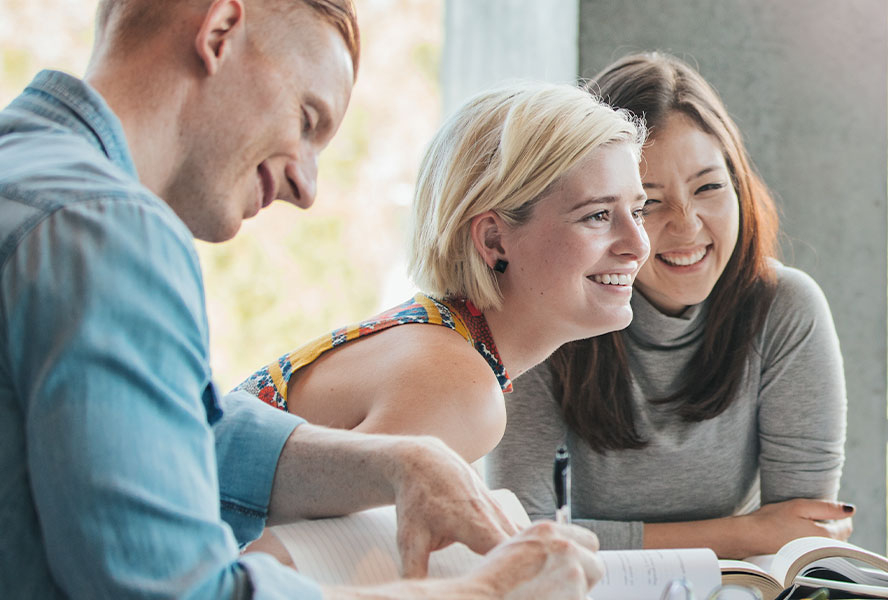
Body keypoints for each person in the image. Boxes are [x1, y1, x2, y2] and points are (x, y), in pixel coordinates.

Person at [0, 1, 600, 597]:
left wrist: (401, 463)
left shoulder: (30, 179)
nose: (306, 188)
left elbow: (167, 433)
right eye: (308, 120)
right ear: (220, 32)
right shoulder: (107, 229)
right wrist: (488, 591)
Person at [489, 52, 851, 559]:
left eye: (709, 187)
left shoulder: (785, 308)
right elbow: (523, 536)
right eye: (648, 203)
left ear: (740, 186)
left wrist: (761, 538)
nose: (686, 226)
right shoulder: (548, 310)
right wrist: (741, 533)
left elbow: (799, 535)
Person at [233, 81, 650, 464]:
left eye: (637, 211)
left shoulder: (440, 340)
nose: (638, 244)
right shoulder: (458, 389)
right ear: (493, 240)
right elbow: (275, 544)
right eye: (597, 215)